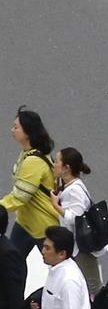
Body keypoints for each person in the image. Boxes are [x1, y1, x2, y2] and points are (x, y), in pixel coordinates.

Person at [2, 106, 59, 257]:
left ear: (27, 132)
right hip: (25, 222)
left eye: (16, 127)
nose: (12, 130)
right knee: (14, 261)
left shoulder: (33, 161)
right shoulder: (28, 153)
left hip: (43, 226)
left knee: (57, 264)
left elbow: (20, 197)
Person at [47, 147, 102, 295]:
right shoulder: (70, 185)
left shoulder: (74, 190)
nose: (54, 165)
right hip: (76, 245)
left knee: (92, 286)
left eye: (57, 162)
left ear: (66, 168)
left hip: (82, 247)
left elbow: (76, 218)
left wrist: (56, 206)